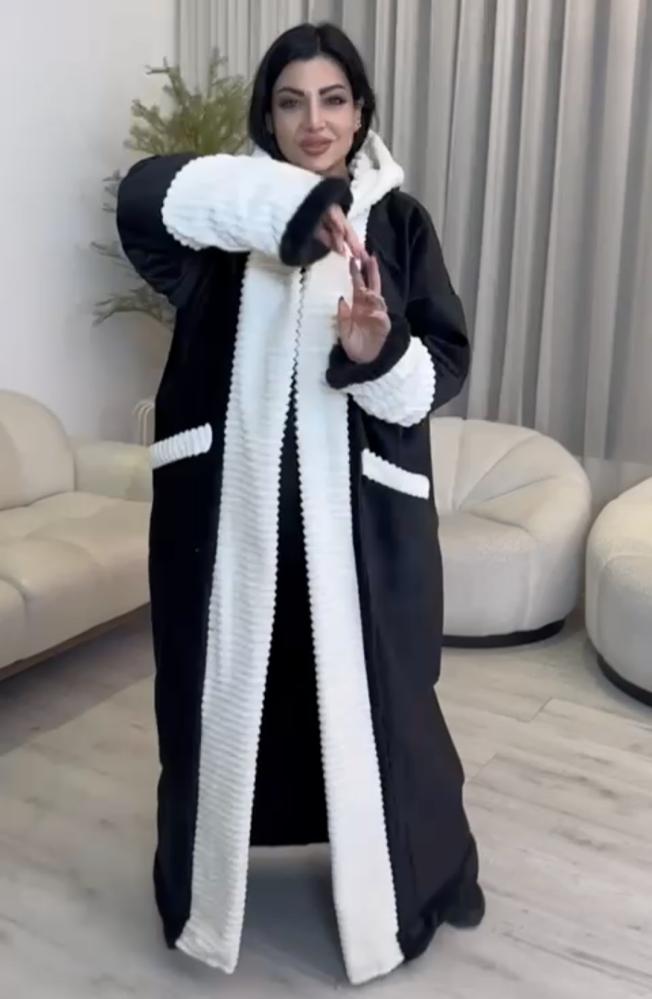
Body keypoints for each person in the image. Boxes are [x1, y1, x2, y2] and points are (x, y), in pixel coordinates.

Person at [117, 21, 483, 987]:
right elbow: (141, 198)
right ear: (267, 117)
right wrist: (290, 209)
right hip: (226, 521)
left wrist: (375, 351)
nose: (313, 121)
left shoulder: (400, 225)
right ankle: (208, 879)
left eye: (332, 99)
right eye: (290, 102)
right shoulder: (220, 225)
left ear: (360, 112)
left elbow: (439, 371)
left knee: (389, 700)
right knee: (216, 693)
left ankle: (409, 881)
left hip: (362, 526)